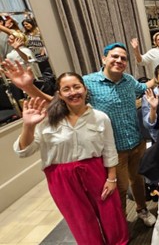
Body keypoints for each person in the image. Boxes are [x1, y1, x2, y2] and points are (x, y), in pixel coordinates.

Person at [6, 42, 158, 226]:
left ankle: (142, 209)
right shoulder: (87, 83)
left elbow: (146, 87)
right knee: (120, 188)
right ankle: (121, 222)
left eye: (123, 58)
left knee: (138, 180)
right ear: (104, 58)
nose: (119, 60)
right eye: (114, 56)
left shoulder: (129, 81)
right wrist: (29, 88)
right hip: (113, 149)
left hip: (136, 142)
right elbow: (59, 102)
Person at [10, 71, 129, 244]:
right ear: (59, 94)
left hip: (96, 170)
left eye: (76, 86)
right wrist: (27, 127)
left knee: (111, 213)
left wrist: (112, 178)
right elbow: (24, 151)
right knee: (80, 220)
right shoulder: (47, 119)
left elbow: (109, 149)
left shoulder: (100, 117)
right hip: (60, 177)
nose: (73, 92)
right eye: (66, 89)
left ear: (85, 89)